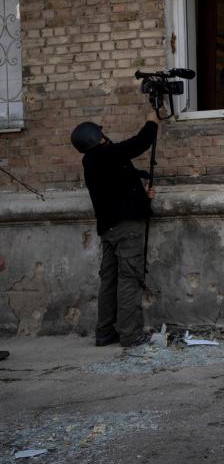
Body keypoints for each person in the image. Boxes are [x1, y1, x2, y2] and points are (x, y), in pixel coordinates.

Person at [71, 111, 159, 348]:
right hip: (126, 228)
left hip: (108, 230)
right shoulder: (106, 154)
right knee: (129, 279)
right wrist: (152, 121)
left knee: (109, 281)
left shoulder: (92, 161)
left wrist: (142, 189)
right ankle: (131, 335)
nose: (104, 135)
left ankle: (105, 332)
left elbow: (122, 175)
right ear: (97, 138)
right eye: (100, 134)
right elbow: (138, 144)